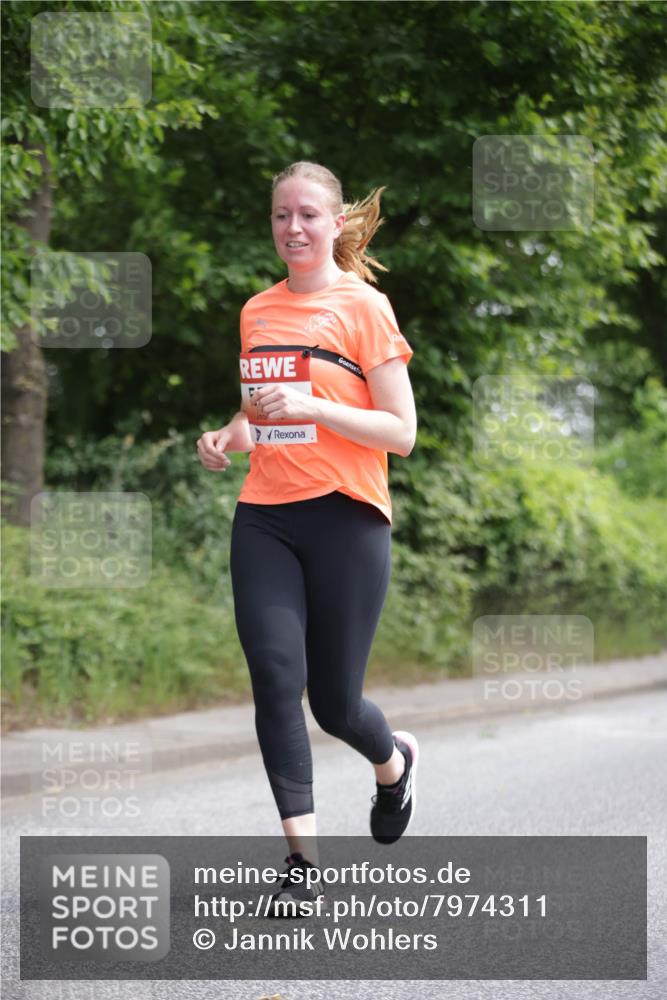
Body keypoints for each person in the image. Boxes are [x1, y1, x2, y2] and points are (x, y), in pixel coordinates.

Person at [196, 161, 419, 915]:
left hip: (347, 516)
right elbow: (264, 412)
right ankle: (301, 862)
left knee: (334, 704)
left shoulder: (364, 308)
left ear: (334, 224)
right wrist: (228, 434)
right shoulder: (257, 309)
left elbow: (402, 432)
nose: (292, 228)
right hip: (266, 512)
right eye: (281, 216)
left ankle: (393, 764)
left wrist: (317, 406)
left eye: (307, 216)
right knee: (272, 673)